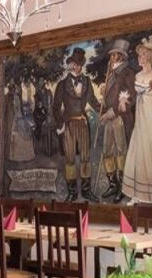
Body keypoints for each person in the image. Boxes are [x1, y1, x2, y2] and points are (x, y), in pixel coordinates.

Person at [121, 37, 152, 204]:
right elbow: (134, 97)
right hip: (140, 123)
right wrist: (124, 100)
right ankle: (138, 193)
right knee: (139, 155)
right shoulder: (137, 76)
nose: (140, 57)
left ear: (149, 57)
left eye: (143, 55)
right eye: (140, 55)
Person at [52, 47, 101, 201]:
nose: (76, 66)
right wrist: (61, 124)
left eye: (79, 64)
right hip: (69, 125)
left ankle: (86, 191)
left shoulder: (87, 81)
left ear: (81, 65)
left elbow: (93, 101)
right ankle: (72, 192)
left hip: (83, 123)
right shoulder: (62, 84)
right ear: (70, 64)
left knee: (86, 157)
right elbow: (55, 107)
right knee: (70, 158)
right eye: (74, 63)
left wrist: (103, 111)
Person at [98, 39, 137, 202]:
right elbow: (110, 96)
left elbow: (131, 97)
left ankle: (122, 186)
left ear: (121, 56)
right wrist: (104, 96)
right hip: (109, 119)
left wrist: (113, 111)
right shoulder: (110, 73)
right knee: (107, 152)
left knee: (121, 152)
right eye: (111, 55)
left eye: (114, 55)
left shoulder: (128, 73)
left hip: (120, 118)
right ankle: (113, 184)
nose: (112, 58)